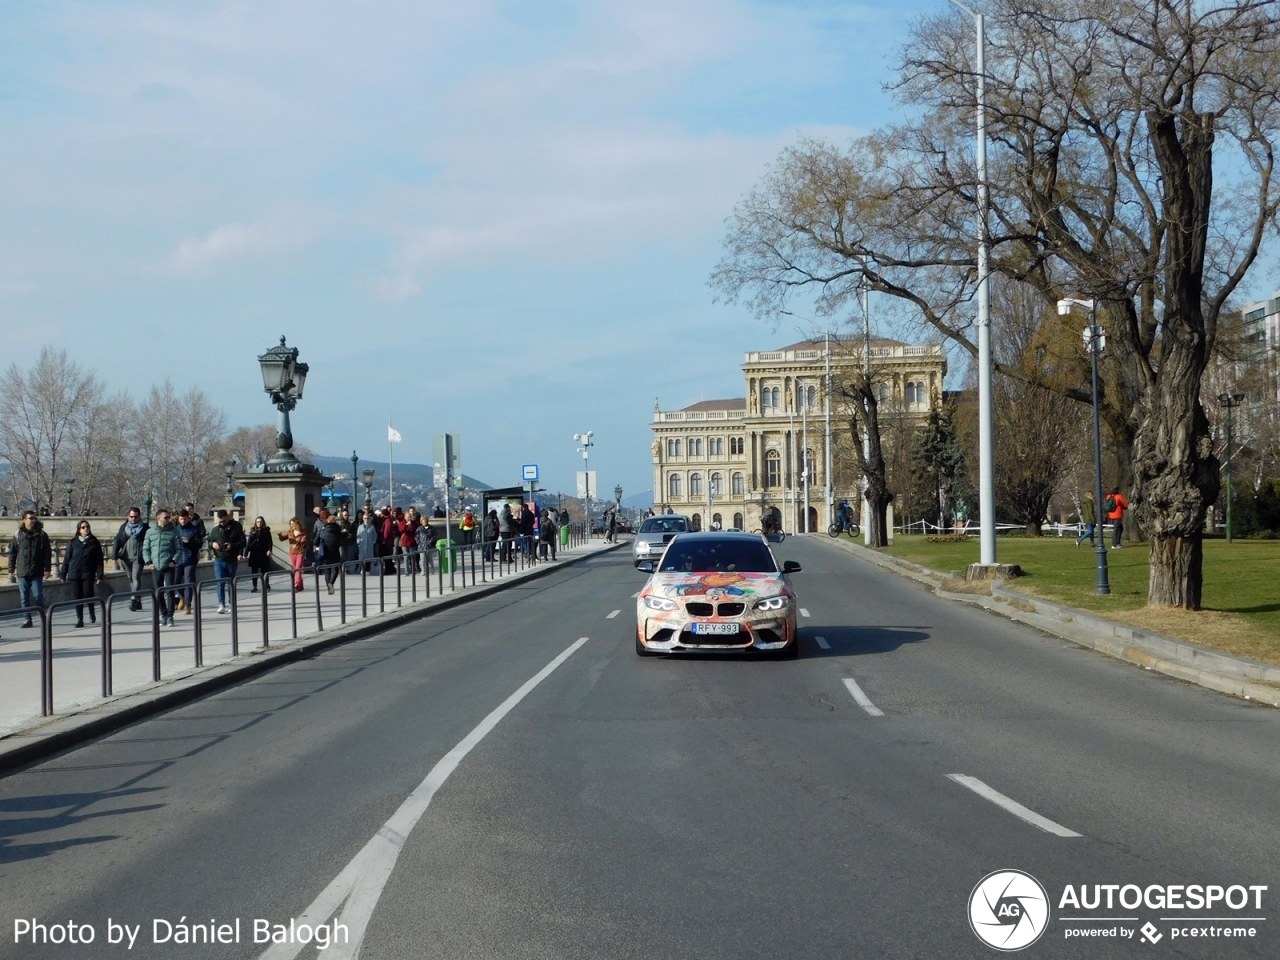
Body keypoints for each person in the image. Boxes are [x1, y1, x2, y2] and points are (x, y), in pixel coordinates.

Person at [8, 511, 52, 629]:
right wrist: (11, 569)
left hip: (36, 571)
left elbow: (47, 553)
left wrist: (48, 569)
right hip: (22, 571)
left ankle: (42, 615)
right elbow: (13, 553)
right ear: (24, 520)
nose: (33, 520)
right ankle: (27, 619)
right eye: (30, 518)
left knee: (38, 595)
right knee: (24, 597)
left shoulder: (42, 535)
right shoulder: (18, 534)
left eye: (34, 518)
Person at [60, 520, 104, 627]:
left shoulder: (94, 542)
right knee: (77, 597)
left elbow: (99, 560)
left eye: (87, 527)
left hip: (88, 572)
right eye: (83, 527)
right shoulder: (73, 542)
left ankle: (91, 610)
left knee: (88, 594)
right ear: (79, 530)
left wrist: (99, 574)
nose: (86, 529)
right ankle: (80, 619)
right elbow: (67, 559)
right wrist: (63, 574)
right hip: (75, 572)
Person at [143, 510, 182, 627]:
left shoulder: (174, 531)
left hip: (169, 565)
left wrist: (174, 561)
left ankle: (170, 616)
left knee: (169, 591)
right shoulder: (150, 532)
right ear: (158, 518)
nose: (168, 519)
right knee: (158, 592)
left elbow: (179, 549)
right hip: (155, 566)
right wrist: (149, 562)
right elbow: (146, 549)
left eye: (169, 517)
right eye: (166, 517)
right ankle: (163, 615)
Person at [209, 509, 246, 613]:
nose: (222, 523)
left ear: (227, 518)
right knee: (220, 582)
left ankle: (232, 603)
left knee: (230, 582)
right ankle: (221, 604)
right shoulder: (215, 530)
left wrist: (231, 546)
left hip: (231, 559)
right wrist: (213, 545)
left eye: (224, 521)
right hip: (219, 559)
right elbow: (210, 541)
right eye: (220, 522)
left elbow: (243, 541)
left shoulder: (236, 527)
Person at [112, 507, 149, 611]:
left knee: (136, 577)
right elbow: (117, 540)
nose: (133, 519)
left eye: (136, 517)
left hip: (138, 557)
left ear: (139, 516)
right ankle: (138, 600)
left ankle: (133, 599)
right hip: (126, 557)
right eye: (131, 516)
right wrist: (114, 555)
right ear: (128, 516)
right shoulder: (124, 527)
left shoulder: (145, 528)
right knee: (130, 578)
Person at [174, 509, 202, 614]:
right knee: (176, 582)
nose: (183, 521)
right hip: (178, 559)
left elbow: (199, 544)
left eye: (184, 519)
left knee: (188, 581)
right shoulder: (175, 530)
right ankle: (182, 596)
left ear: (188, 518)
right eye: (181, 519)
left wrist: (189, 542)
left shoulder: (194, 530)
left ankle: (188, 604)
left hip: (190, 559)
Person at [316, 510, 345, 594]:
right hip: (335, 552)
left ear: (328, 521)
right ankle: (331, 583)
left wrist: (317, 546)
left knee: (327, 571)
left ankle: (329, 588)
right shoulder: (338, 530)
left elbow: (316, 540)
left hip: (325, 552)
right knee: (335, 570)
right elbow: (342, 541)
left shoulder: (323, 529)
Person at [279, 517, 309, 590]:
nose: (292, 525)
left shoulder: (303, 532)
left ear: (297, 524)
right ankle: (300, 585)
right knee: (296, 569)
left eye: (293, 524)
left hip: (300, 552)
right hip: (292, 552)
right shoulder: (290, 532)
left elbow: (308, 543)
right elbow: (283, 539)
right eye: (291, 524)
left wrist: (303, 541)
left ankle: (296, 585)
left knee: (297, 569)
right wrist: (280, 535)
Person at [245, 517, 273, 592]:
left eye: (260, 522)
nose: (259, 523)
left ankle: (266, 584)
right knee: (254, 571)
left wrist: (269, 550)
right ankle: (254, 586)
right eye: (257, 522)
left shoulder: (266, 531)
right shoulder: (253, 531)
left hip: (263, 553)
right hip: (254, 554)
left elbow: (269, 542)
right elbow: (249, 543)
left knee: (264, 570)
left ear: (263, 522)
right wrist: (245, 554)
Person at [357, 509, 379, 573]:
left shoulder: (372, 527)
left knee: (369, 557)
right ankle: (362, 569)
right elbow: (358, 535)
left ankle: (368, 570)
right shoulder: (360, 527)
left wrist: (373, 541)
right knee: (362, 557)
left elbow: (375, 535)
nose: (366, 519)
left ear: (369, 519)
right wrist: (359, 542)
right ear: (363, 519)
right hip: (362, 545)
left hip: (369, 544)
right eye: (365, 518)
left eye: (367, 518)